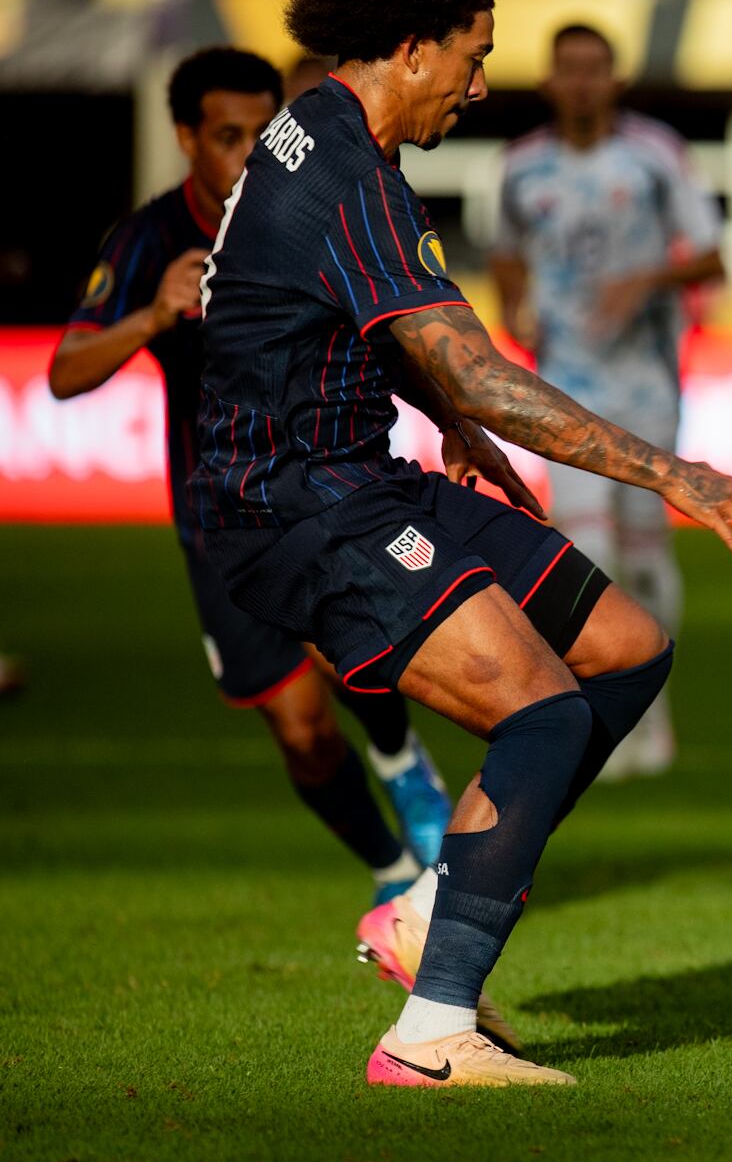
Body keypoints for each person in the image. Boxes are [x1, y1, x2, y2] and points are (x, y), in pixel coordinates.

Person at [190, 0, 732, 1088]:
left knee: (624, 647)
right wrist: (668, 469)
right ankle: (431, 1034)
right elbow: (481, 367)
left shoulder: (316, 127)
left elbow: (374, 340)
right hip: (300, 505)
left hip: (364, 469)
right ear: (413, 44)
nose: (476, 87)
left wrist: (455, 427)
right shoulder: (348, 176)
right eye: (470, 58)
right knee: (547, 713)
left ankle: (429, 907)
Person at [50, 46, 452, 896]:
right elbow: (66, 371)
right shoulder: (149, 238)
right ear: (186, 138)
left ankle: (401, 759)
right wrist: (154, 316)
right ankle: (393, 875)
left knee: (358, 660)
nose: (245, 154)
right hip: (215, 519)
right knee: (302, 730)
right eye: (225, 136)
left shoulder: (302, 210)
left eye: (258, 132)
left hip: (318, 489)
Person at [493, 23, 725, 780]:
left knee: (646, 556)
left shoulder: (656, 155)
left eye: (597, 69)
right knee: (588, 551)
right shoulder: (520, 168)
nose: (584, 83)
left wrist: (648, 280)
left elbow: (713, 252)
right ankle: (606, 710)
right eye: (571, 70)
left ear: (616, 80)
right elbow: (502, 252)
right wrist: (515, 311)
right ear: (552, 81)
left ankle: (655, 708)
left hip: (646, 381)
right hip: (564, 387)